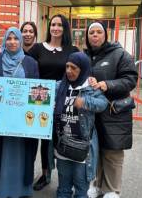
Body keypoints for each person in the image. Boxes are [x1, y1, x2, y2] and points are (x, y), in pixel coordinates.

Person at [0, 27, 39, 198]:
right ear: (4, 41)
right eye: (9, 38)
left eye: (15, 38)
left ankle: (19, 186)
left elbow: (36, 91)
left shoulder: (31, 63)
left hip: (21, 120)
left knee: (19, 152)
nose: (12, 42)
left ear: (20, 41)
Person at [84, 22, 138, 198]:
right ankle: (98, 185)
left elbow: (130, 79)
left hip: (114, 112)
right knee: (96, 149)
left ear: (105, 35)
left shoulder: (120, 54)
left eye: (99, 32)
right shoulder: (84, 55)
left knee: (113, 152)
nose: (95, 35)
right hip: (93, 111)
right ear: (87, 36)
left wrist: (108, 85)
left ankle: (112, 189)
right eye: (92, 32)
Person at [28, 14, 79, 191]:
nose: (55, 28)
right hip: (40, 97)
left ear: (65, 29)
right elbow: (27, 70)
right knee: (45, 137)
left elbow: (79, 74)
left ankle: (67, 179)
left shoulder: (72, 50)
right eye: (53, 24)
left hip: (65, 98)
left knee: (65, 137)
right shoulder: (37, 48)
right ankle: (45, 173)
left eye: (59, 25)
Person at [54, 52, 107, 198]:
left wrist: (84, 102)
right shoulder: (60, 86)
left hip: (83, 149)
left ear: (83, 69)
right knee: (63, 188)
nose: (69, 71)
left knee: (81, 189)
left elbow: (103, 104)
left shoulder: (90, 87)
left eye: (74, 68)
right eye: (67, 67)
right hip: (63, 145)